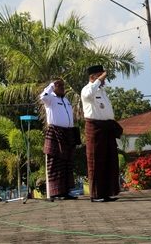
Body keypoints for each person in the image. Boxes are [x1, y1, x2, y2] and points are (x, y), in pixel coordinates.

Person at [81, 65, 123, 203]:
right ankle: (96, 194)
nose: (103, 79)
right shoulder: (87, 89)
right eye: (100, 76)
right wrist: (98, 80)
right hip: (95, 128)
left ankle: (107, 192)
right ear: (93, 77)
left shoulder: (102, 91)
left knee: (110, 161)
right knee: (96, 162)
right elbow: (88, 95)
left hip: (107, 128)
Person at [40, 79, 78, 200]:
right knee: (55, 164)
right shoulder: (50, 99)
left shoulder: (66, 100)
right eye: (59, 86)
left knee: (67, 164)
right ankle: (56, 193)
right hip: (56, 132)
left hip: (68, 133)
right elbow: (42, 97)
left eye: (62, 86)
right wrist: (51, 85)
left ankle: (65, 191)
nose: (62, 88)